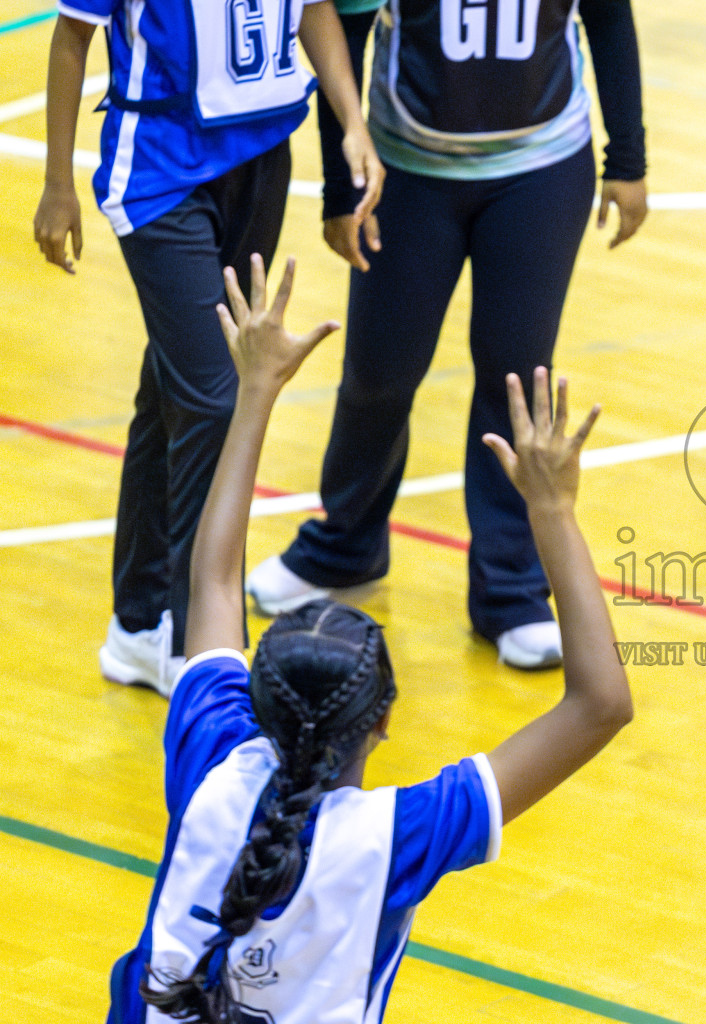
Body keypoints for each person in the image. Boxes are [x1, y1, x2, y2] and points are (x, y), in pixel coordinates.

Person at [109, 254, 631, 1023]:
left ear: (252, 694)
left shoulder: (214, 754)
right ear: (384, 721)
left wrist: (254, 392)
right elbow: (602, 705)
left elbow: (212, 582)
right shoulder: (392, 839)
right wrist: (552, 511)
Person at [244, 0, 650, 671]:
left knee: (516, 374)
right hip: (407, 171)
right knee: (379, 372)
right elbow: (338, 26)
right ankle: (343, 547)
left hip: (540, 167)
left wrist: (627, 158)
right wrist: (342, 193)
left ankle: (512, 591)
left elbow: (607, 15)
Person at [33, 0, 385, 697]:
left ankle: (137, 625)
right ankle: (202, 647)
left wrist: (353, 121)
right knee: (218, 399)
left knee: (174, 383)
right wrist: (56, 185)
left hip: (261, 158)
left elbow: (315, 8)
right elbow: (72, 34)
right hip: (161, 171)